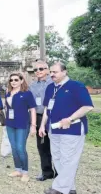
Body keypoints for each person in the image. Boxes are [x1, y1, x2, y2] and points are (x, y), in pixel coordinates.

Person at [40, 62, 94, 194]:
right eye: (51, 72)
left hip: (72, 130)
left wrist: (70, 119)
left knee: (68, 159)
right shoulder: (50, 88)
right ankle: (70, 188)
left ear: (64, 72)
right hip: (53, 129)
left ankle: (59, 188)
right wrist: (42, 125)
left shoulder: (76, 86)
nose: (52, 74)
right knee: (58, 158)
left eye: (55, 72)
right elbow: (47, 108)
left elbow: (87, 106)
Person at [4, 73, 37, 182]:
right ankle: (18, 170)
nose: (13, 82)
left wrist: (33, 125)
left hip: (22, 124)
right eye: (11, 80)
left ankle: (25, 172)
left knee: (20, 148)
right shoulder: (8, 93)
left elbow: (33, 109)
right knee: (13, 148)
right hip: (10, 124)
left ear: (22, 81)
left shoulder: (27, 94)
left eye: (16, 80)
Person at [29, 61, 56, 181]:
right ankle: (47, 172)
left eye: (41, 68)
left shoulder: (55, 83)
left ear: (47, 70)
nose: (38, 71)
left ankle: (61, 172)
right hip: (39, 116)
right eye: (35, 70)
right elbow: (31, 105)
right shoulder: (33, 86)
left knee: (56, 145)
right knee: (42, 146)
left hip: (54, 116)